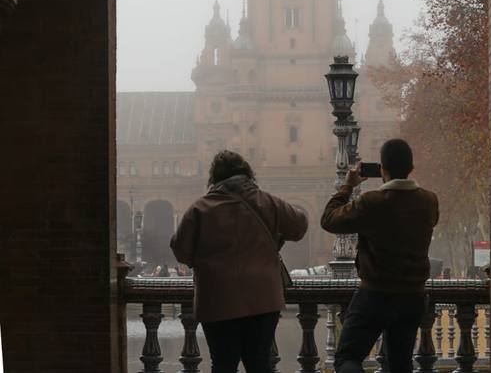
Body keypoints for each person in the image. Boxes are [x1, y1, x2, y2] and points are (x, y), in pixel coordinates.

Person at [170, 149, 308, 373]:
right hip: (263, 298)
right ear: (247, 173)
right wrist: (276, 236)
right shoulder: (267, 202)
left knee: (223, 364)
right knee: (259, 363)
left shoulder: (199, 209)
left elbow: (181, 251)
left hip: (216, 298)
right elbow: (299, 226)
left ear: (214, 177)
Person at [320, 139, 439, 373]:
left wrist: (347, 187)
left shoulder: (371, 202)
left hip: (376, 294)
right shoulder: (429, 200)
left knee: (347, 358)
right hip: (413, 296)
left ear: (382, 168)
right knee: (400, 363)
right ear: (411, 168)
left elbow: (329, 220)